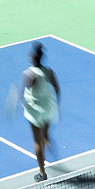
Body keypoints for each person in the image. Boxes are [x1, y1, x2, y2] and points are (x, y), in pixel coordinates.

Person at [19, 43, 61, 181]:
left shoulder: (28, 74)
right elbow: (57, 89)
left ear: (32, 58)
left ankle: (42, 174)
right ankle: (47, 139)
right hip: (48, 107)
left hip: (35, 110)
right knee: (45, 133)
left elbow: (22, 92)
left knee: (37, 141)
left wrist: (19, 101)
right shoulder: (49, 72)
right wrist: (56, 105)